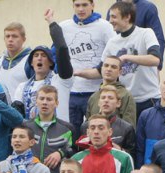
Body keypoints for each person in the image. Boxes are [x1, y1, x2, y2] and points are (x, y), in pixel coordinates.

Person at [60, 0, 115, 128]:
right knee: (71, 132)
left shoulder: (104, 26)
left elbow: (113, 54)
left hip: (96, 92)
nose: (81, 9)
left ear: (92, 5)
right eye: (77, 5)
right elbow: (56, 53)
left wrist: (96, 72)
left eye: (85, 5)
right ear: (73, 6)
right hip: (71, 92)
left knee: (94, 130)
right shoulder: (64, 27)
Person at [104, 2, 163, 117]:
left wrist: (127, 57)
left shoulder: (146, 33)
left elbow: (155, 59)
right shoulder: (112, 42)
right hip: (126, 101)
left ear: (127, 17)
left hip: (150, 99)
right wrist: (77, 72)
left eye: (114, 17)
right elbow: (100, 68)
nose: (110, 21)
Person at [13, 13, 74, 122]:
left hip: (58, 130)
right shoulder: (22, 88)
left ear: (51, 62)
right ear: (31, 63)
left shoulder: (61, 81)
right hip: (32, 131)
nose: (39, 58)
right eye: (36, 56)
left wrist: (51, 23)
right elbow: (16, 117)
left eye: (44, 55)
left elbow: (62, 49)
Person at [26, 85, 75, 173]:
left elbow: (74, 150)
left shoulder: (67, 128)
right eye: (41, 98)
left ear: (56, 103)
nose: (45, 102)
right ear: (36, 101)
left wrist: (60, 153)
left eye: (49, 99)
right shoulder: (26, 127)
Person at [136, 74, 165, 166]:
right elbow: (139, 148)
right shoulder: (145, 115)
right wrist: (140, 169)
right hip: (150, 169)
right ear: (160, 86)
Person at [86, 57, 137, 126]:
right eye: (106, 65)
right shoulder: (94, 97)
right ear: (101, 69)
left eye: (113, 67)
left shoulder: (126, 95)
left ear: (120, 72)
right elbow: (87, 125)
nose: (109, 69)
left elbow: (129, 127)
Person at [0, 22, 32, 96]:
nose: (10, 39)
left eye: (14, 36)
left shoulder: (31, 61)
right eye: (7, 36)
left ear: (24, 39)